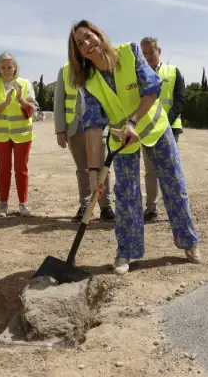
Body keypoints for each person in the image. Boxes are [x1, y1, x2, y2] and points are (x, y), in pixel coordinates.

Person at [68, 20, 200, 276]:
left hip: (154, 129)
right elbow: (93, 128)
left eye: (87, 36)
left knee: (174, 185)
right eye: (79, 44)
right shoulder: (90, 82)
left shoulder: (129, 53)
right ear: (78, 53)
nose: (86, 44)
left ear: (99, 34)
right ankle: (127, 250)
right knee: (127, 194)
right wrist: (94, 172)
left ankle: (189, 241)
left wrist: (132, 121)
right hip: (122, 140)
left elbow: (151, 90)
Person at [54, 59, 114, 223]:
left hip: (99, 126)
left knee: (102, 169)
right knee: (82, 169)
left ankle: (105, 206)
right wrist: (60, 130)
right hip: (75, 128)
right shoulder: (65, 70)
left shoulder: (100, 66)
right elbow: (59, 101)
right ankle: (85, 205)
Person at [139, 36, 185, 222]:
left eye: (151, 52)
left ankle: (176, 209)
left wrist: (166, 122)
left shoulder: (173, 71)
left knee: (171, 170)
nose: (149, 56)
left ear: (159, 51)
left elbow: (180, 100)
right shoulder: (138, 75)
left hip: (170, 129)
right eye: (145, 53)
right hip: (146, 130)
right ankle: (151, 208)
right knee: (150, 171)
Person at [0, 52, 36, 217]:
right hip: (1, 136)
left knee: (21, 169)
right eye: (3, 67)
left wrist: (21, 100)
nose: (6, 70)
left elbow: (33, 109)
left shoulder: (25, 84)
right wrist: (5, 103)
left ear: (15, 68)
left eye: (9, 67)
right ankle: (3, 204)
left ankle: (23, 204)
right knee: (3, 170)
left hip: (22, 135)